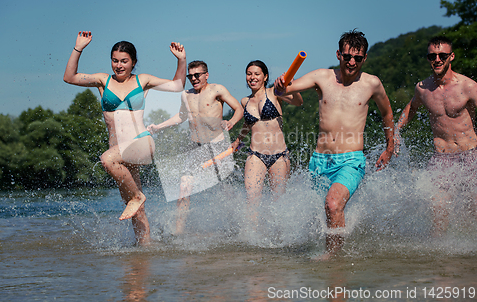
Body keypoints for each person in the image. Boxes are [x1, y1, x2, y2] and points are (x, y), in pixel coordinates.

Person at [274, 30, 394, 259]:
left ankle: (333, 259)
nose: (352, 62)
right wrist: (281, 84)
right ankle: (333, 248)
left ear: (365, 58)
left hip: (351, 159)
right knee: (322, 215)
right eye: (347, 56)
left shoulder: (372, 84)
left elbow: (387, 114)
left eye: (358, 58)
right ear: (338, 54)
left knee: (332, 204)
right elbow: (286, 89)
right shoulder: (322, 76)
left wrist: (390, 148)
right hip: (319, 161)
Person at [63, 31, 186, 245]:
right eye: (115, 61)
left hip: (140, 143)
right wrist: (79, 48)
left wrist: (181, 60)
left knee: (107, 160)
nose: (119, 65)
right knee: (136, 210)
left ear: (133, 62)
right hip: (119, 151)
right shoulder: (103, 81)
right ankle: (143, 250)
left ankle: (138, 197)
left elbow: (177, 85)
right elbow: (69, 77)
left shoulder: (143, 80)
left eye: (124, 61)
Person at [147, 60, 243, 234]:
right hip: (195, 148)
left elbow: (238, 109)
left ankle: (238, 229)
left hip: (217, 147)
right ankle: (178, 234)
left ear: (206, 74)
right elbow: (181, 116)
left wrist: (231, 122)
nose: (193, 79)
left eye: (197, 75)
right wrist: (158, 127)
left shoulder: (217, 89)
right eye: (190, 76)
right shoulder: (185, 94)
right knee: (183, 190)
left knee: (226, 191)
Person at [395, 36, 477, 236]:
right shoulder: (423, 89)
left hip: (470, 155)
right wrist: (396, 130)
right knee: (437, 208)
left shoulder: (468, 86)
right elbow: (411, 108)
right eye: (432, 55)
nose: (437, 59)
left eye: (442, 55)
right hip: (441, 158)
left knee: (473, 210)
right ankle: (437, 257)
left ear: (452, 57)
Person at [231, 60, 302, 228]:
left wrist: (291, 86)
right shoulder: (244, 101)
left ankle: (277, 238)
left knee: (278, 201)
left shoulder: (275, 92)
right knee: (252, 199)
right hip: (255, 155)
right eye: (249, 74)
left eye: (257, 74)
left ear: (265, 76)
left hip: (279, 155)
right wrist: (238, 140)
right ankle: (253, 239)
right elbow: (248, 124)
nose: (252, 77)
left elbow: (298, 102)